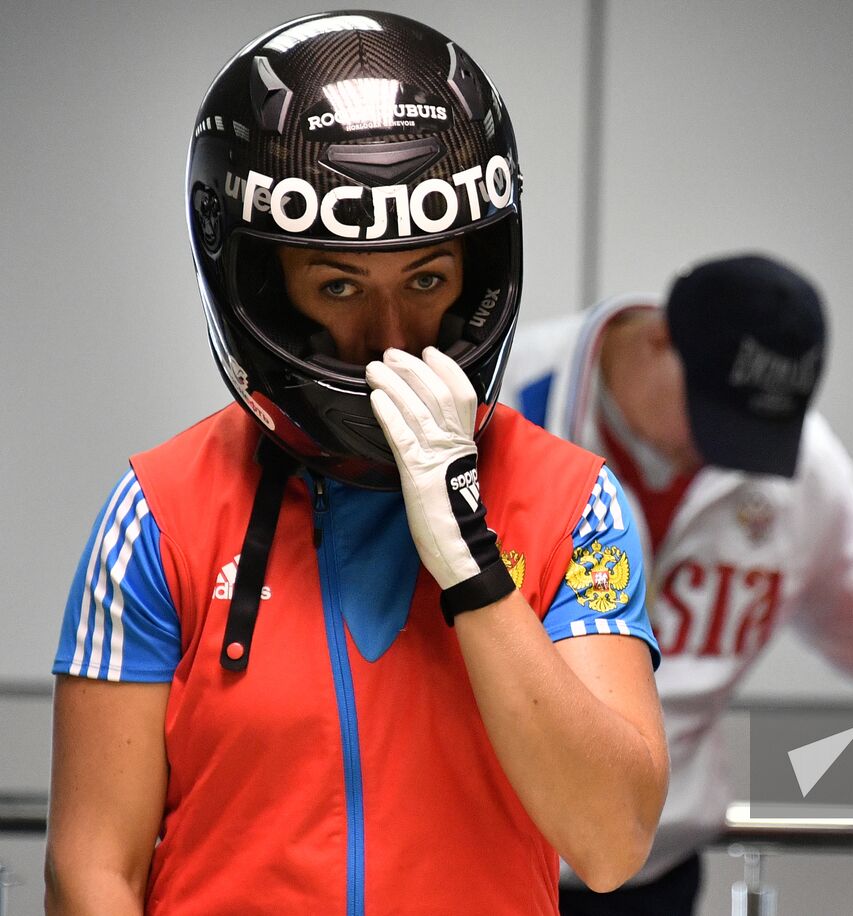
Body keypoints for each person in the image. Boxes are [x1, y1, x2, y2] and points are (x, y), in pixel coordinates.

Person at [45, 12, 667, 915]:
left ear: (475, 275)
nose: (389, 344)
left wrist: (472, 563)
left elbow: (611, 843)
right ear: (268, 287)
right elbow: (91, 871)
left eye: (427, 281)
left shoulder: (576, 505)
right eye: (337, 286)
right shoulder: (158, 511)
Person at [500, 253, 853, 913]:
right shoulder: (500, 394)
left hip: (648, 878)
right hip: (482, 861)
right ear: (659, 338)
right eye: (714, 414)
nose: (726, 451)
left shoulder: (800, 466)